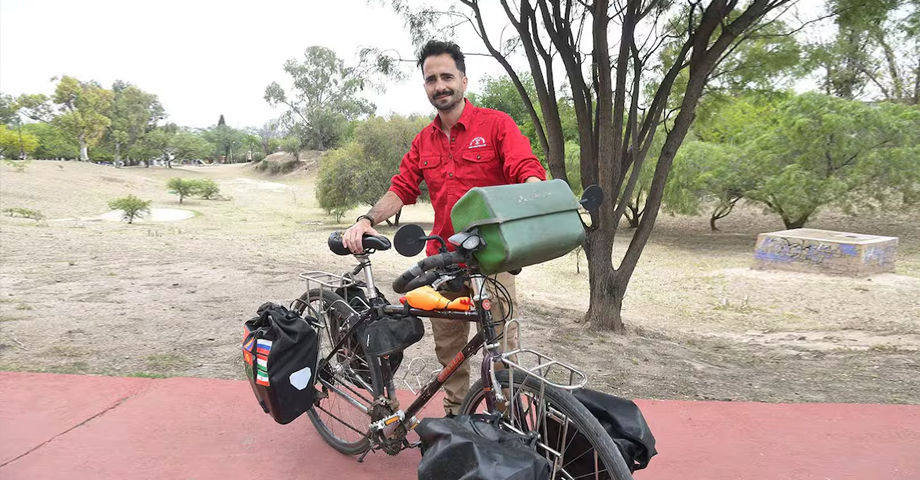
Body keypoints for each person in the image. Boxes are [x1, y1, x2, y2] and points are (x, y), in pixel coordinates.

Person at [342, 40, 546, 416]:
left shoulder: (496, 124)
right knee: (450, 354)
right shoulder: (424, 140)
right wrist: (367, 219)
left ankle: (510, 423)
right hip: (442, 262)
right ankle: (456, 418)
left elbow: (526, 168)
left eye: (447, 76)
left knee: (503, 353)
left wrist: (537, 197)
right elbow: (401, 187)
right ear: (426, 86)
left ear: (464, 80)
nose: (440, 86)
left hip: (492, 259)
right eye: (431, 79)